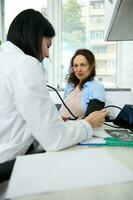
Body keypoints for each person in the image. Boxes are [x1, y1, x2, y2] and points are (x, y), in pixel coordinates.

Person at [0, 9, 108, 164]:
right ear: (35, 37)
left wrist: (52, 121)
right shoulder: (25, 64)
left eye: (83, 65)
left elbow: (14, 114)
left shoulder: (6, 58)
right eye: (48, 45)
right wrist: (86, 124)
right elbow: (54, 138)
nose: (47, 54)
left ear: (92, 67)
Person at [60, 49, 106, 120]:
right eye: (75, 65)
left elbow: (91, 119)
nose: (78, 69)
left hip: (79, 129)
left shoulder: (97, 88)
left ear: (91, 66)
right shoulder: (70, 85)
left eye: (83, 65)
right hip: (61, 127)